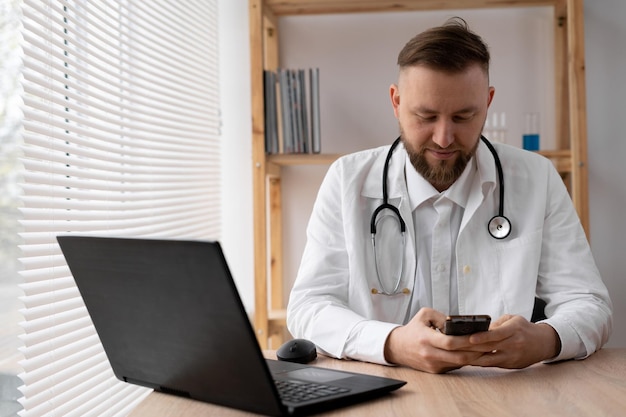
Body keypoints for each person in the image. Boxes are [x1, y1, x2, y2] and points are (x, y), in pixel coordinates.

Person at [286, 17, 613, 374]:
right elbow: (309, 307)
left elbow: (589, 303)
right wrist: (392, 343)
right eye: (425, 116)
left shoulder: (537, 179)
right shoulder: (347, 180)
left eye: (463, 116)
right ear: (396, 102)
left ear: (487, 103)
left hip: (503, 395)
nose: (443, 138)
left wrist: (545, 338)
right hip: (383, 392)